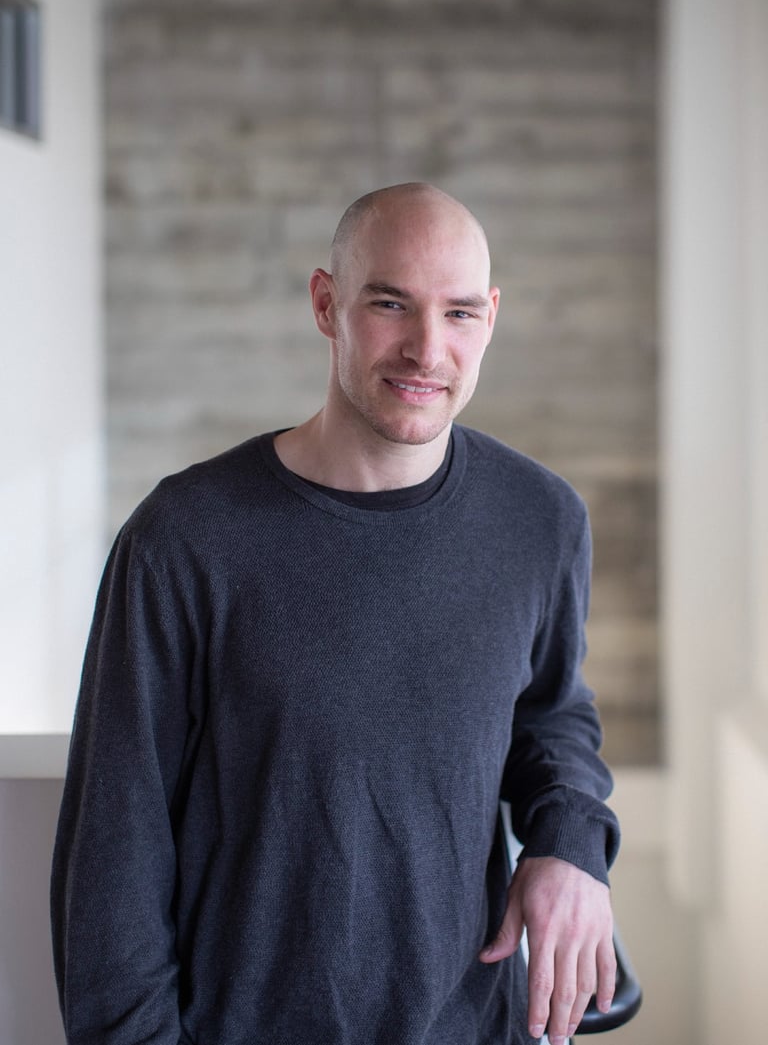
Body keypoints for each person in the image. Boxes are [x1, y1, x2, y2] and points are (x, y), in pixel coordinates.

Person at [51, 182, 619, 1045]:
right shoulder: (185, 539)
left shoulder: (541, 519)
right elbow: (112, 860)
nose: (428, 348)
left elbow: (551, 716)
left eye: (460, 313)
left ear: (491, 319)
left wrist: (572, 842)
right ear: (327, 303)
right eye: (391, 303)